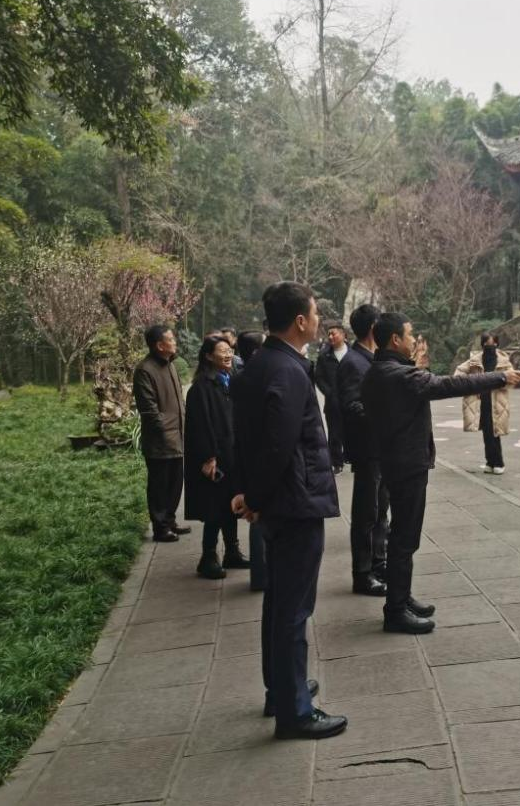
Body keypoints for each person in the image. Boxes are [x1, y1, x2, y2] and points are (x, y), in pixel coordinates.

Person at [361, 313, 520, 634]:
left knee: (402, 535)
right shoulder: (399, 375)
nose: (413, 339)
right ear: (395, 339)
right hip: (407, 464)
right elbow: (450, 384)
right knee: (405, 538)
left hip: (395, 461)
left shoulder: (378, 371)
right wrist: (500, 377)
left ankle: (401, 597)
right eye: (409, 334)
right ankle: (395, 610)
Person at [231, 282, 347, 740]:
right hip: (295, 504)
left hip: (278, 502)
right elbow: (278, 445)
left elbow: (246, 437)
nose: (318, 321)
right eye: (315, 314)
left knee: (278, 603)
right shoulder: (290, 371)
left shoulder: (260, 364)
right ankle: (295, 710)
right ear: (300, 320)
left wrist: (248, 492)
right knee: (294, 610)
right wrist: (255, 498)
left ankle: (280, 689)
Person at [185, 335, 251, 579]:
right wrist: (208, 457)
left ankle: (232, 552)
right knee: (214, 509)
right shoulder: (201, 388)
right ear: (208, 356)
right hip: (215, 458)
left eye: (230, 349)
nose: (228, 354)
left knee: (230, 505)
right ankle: (208, 557)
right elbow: (199, 426)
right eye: (222, 350)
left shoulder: (229, 380)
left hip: (231, 454)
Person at [336, 304, 389, 596]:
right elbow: (352, 406)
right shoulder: (354, 363)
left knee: (380, 511)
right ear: (372, 328)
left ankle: (379, 565)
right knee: (367, 513)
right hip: (367, 449)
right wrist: (386, 413)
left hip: (380, 447)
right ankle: (363, 573)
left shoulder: (370, 359)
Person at [133, 326, 190, 543]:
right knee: (159, 486)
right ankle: (160, 527)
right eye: (171, 339)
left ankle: (170, 521)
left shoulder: (170, 365)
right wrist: (167, 430)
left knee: (175, 484)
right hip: (160, 440)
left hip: (177, 436)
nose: (175, 342)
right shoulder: (145, 370)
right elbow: (149, 411)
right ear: (159, 345)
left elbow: (179, 401)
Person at [234, 330, 269, 591]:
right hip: (260, 455)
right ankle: (263, 576)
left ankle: (260, 575)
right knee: (261, 518)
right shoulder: (259, 380)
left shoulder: (239, 379)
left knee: (257, 516)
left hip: (247, 453)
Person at [455, 332, 514, 475]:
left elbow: (512, 379)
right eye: (487, 344)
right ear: (482, 344)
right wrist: (470, 383)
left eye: (493, 344)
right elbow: (459, 372)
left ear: (497, 344)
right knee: (487, 433)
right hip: (481, 401)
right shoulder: (475, 360)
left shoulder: (503, 360)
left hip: (497, 401)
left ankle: (498, 463)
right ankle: (490, 462)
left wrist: (500, 381)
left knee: (494, 432)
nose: (490, 346)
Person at [314, 324, 349, 473]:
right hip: (333, 402)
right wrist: (329, 392)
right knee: (334, 433)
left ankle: (350, 456)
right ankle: (336, 462)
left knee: (351, 430)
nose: (330, 337)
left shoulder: (352, 353)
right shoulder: (325, 356)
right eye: (329, 334)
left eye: (333, 334)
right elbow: (319, 377)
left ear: (343, 335)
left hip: (351, 399)